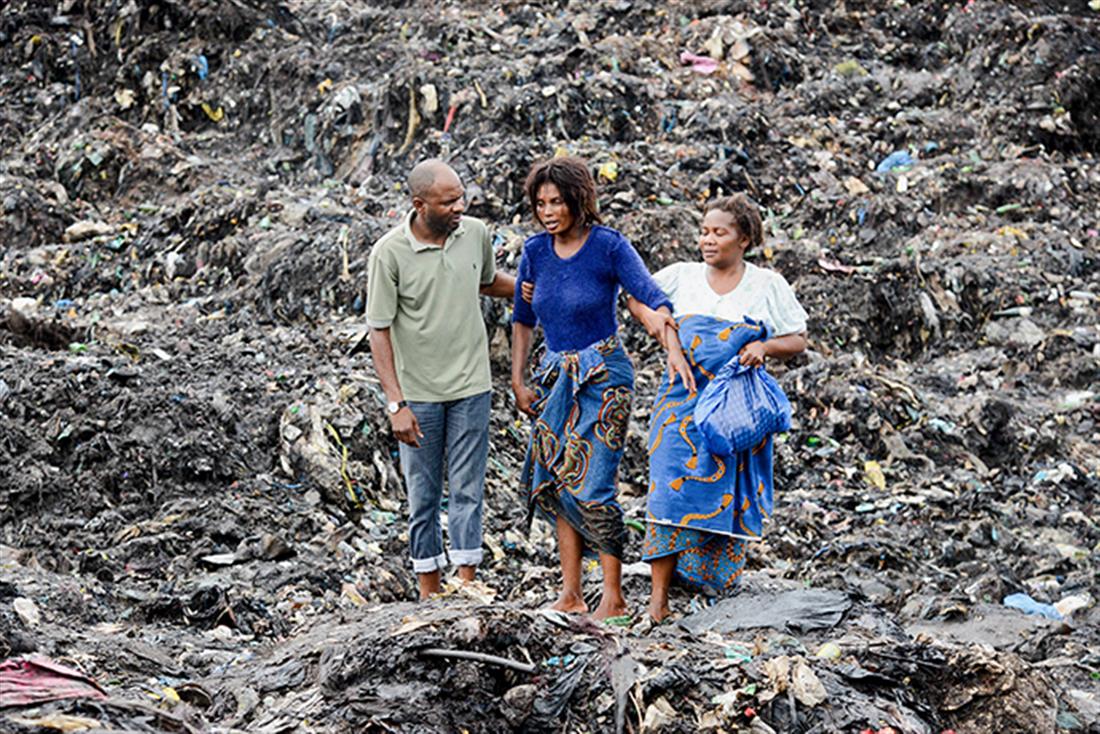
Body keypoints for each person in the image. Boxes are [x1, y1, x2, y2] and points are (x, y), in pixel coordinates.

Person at [511, 156, 693, 621]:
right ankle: (570, 592)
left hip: (604, 375)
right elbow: (523, 320)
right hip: (554, 377)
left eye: (558, 202)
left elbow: (648, 295)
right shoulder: (534, 252)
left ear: (579, 200)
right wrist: (518, 379)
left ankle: (612, 595)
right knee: (556, 481)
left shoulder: (608, 246)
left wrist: (669, 339)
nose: (548, 211)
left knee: (595, 481)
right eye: (540, 203)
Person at [629, 193, 808, 622]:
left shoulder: (767, 285)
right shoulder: (681, 276)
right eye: (704, 231)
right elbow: (636, 297)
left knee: (722, 494)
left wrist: (763, 346)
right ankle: (658, 602)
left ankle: (711, 592)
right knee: (667, 495)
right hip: (678, 403)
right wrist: (666, 336)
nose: (707, 240)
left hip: (732, 412)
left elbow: (798, 337)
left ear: (743, 238)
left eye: (719, 232)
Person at [367, 159, 516, 600]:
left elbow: (488, 282)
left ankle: (466, 585)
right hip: (421, 394)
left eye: (460, 199)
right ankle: (430, 593)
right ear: (419, 204)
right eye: (448, 202)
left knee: (469, 488)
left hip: (472, 386)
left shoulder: (474, 234)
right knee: (424, 495)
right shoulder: (389, 253)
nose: (459, 208)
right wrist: (396, 404)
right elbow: (379, 329)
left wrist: (537, 286)